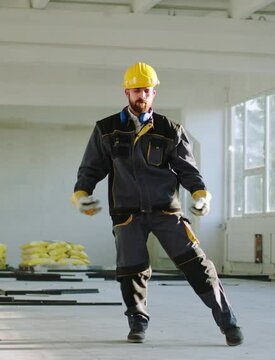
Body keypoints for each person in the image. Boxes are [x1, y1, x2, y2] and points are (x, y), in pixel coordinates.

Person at [71, 62, 243, 346]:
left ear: (154, 93)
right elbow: (91, 167)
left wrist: (200, 193)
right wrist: (81, 192)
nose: (143, 96)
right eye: (137, 90)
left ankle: (228, 322)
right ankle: (137, 323)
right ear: (127, 92)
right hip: (127, 214)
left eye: (148, 91)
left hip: (166, 211)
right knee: (131, 270)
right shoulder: (107, 129)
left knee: (198, 265)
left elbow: (188, 170)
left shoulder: (170, 130)